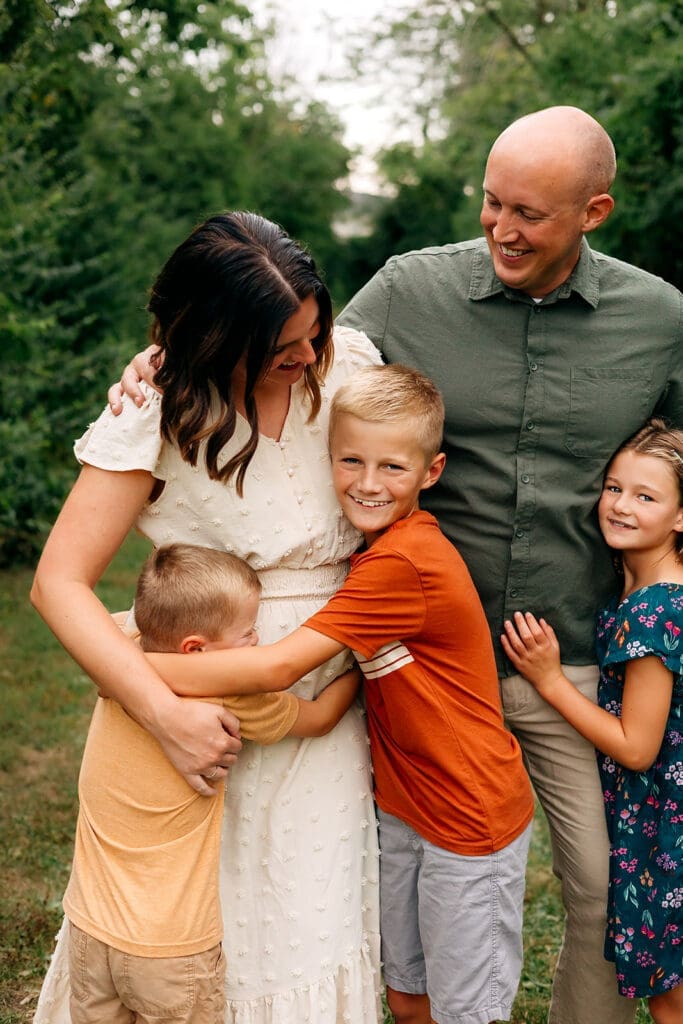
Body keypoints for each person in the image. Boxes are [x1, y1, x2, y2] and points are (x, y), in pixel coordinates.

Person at [111, 106, 683, 1024]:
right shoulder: (411, 289)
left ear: (594, 212)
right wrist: (166, 355)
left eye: (530, 213)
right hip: (407, 659)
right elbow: (294, 353)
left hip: (567, 655)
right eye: (492, 203)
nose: (501, 228)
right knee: (389, 873)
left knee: (599, 885)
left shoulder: (658, 318)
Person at [30, 211, 383, 1024]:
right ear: (217, 340)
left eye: (312, 333)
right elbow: (58, 583)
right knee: (205, 929)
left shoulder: (348, 365)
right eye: (280, 348)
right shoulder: (156, 407)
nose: (304, 358)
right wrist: (164, 714)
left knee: (310, 913)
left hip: (324, 700)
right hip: (201, 696)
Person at [138, 364, 536, 1024]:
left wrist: (134, 670)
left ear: (430, 473)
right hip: (409, 805)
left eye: (392, 468)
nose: (368, 483)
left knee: (466, 1010)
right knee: (407, 995)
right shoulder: (376, 551)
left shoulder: (404, 563)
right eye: (350, 461)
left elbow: (274, 670)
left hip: (469, 820)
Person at [65, 542, 361, 1024]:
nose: (257, 637)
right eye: (247, 633)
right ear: (195, 650)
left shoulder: (120, 647)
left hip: (89, 927)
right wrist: (359, 669)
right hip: (171, 947)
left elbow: (94, 633)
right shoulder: (231, 694)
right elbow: (322, 717)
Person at [501, 419, 683, 1024]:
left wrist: (551, 681)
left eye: (646, 496)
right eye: (613, 487)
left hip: (667, 821)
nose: (620, 505)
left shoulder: (655, 610)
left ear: (681, 518)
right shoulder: (646, 590)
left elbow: (637, 748)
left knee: (671, 996)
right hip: (658, 813)